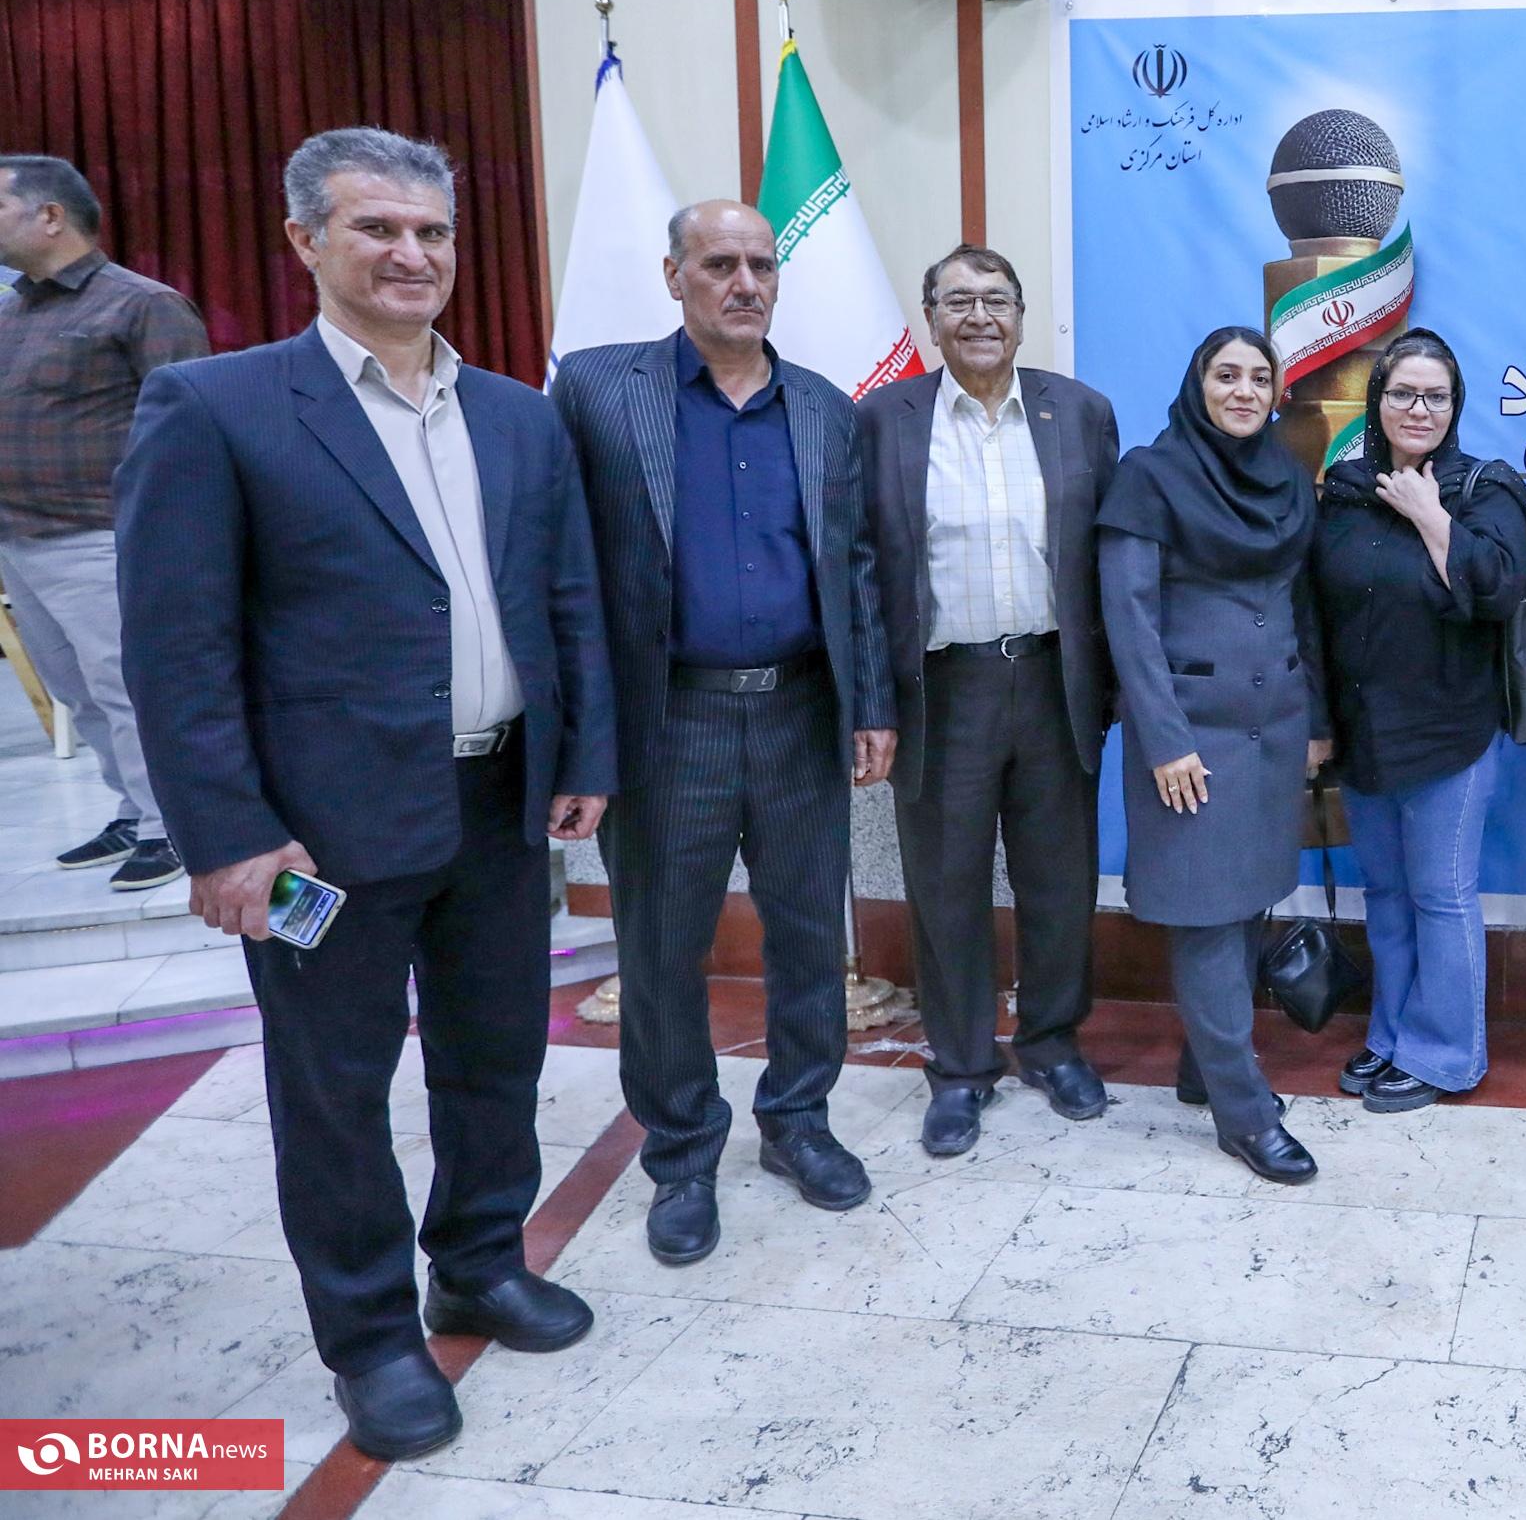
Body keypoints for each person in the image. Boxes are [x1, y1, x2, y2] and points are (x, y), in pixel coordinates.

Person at [114, 128, 615, 1460]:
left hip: (500, 807)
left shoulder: (517, 413)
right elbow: (176, 647)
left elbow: (565, 598)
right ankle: (373, 1338)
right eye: (377, 228)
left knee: (495, 1054)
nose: (411, 254)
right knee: (334, 1090)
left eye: (432, 232)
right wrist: (227, 836)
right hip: (318, 840)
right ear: (305, 241)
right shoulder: (216, 408)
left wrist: (583, 758)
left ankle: (480, 1264)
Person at [552, 201, 895, 1267]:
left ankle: (798, 1120)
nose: (744, 283)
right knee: (662, 948)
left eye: (760, 264)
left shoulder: (826, 408)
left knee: (809, 935)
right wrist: (580, 737)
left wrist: (872, 702)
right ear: (674, 275)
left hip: (800, 711)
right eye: (718, 264)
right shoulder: (599, 392)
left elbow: (857, 567)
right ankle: (683, 1154)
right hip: (670, 720)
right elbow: (563, 568)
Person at [859, 245, 1121, 1155]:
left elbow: (1111, 560)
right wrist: (870, 701)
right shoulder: (883, 420)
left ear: (1021, 315)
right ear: (930, 317)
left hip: (1054, 679)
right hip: (942, 688)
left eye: (997, 299)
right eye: (959, 300)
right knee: (947, 884)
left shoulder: (1078, 412)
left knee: (1059, 878)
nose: (980, 316)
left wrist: (1114, 687)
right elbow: (861, 568)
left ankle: (1051, 1042)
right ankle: (963, 1065)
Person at [1097, 326, 1331, 1182]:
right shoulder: (1149, 477)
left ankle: (1205, 1063)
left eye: (1258, 378)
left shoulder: (1284, 477)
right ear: (1197, 384)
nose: (1243, 391)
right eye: (1226, 375)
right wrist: (1164, 741)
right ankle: (1245, 1113)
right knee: (1204, 913)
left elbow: (1302, 604)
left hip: (1276, 727)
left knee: (1250, 898)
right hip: (1191, 739)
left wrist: (1316, 721)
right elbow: (1129, 618)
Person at [1312, 329, 1526, 1111]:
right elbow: (1319, 607)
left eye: (1436, 395)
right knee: (1387, 894)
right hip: (1365, 731)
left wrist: (1432, 516)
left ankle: (1445, 1054)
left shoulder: (1485, 488)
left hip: (1450, 734)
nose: (1418, 409)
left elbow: (1500, 589)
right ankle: (1391, 1034)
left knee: (1441, 894)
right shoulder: (1346, 489)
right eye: (1403, 392)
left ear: (1455, 405)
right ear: (1377, 400)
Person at [0, 153, 208, 893]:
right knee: (79, 692)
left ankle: (173, 824)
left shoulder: (142, 305)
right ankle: (133, 808)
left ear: (51, 216)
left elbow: (190, 435)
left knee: (130, 688)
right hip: (20, 538)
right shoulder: (13, 311)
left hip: (104, 534)